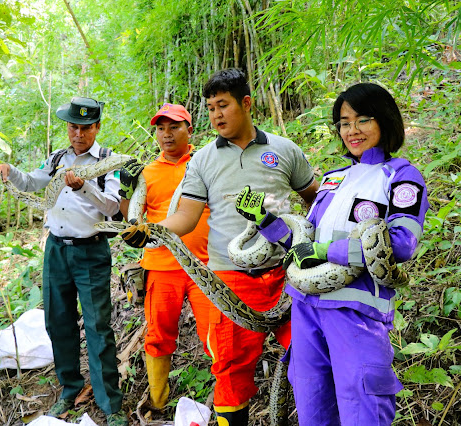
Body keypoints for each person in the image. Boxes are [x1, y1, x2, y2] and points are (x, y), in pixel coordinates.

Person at [121, 69, 319, 426]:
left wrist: (311, 243)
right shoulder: (204, 160)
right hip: (230, 278)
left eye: (223, 105)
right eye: (211, 108)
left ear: (246, 103)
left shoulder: (285, 149)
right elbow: (186, 216)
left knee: (308, 354)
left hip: (285, 274)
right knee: (229, 368)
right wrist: (151, 230)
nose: (216, 115)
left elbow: (315, 200)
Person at [251, 82, 429, 425]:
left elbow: (401, 243)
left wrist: (324, 249)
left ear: (385, 121)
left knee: (362, 401)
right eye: (344, 122)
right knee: (311, 400)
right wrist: (265, 221)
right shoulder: (334, 178)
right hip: (306, 307)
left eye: (362, 119)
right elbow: (301, 240)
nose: (352, 130)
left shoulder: (401, 176)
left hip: (355, 309)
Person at [0, 97, 128, 426]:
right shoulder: (56, 158)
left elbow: (113, 208)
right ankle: (70, 390)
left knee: (97, 326)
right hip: (56, 251)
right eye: (73, 127)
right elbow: (33, 182)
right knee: (57, 322)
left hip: (91, 251)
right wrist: (10, 172)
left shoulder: (109, 162)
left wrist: (83, 188)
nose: (78, 134)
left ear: (96, 128)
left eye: (85, 128)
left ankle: (110, 404)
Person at [117, 103, 212, 410]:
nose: (167, 134)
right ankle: (158, 403)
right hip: (160, 267)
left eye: (174, 127)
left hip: (205, 266)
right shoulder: (146, 173)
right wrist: (125, 191)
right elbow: (130, 223)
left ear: (190, 129)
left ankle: (223, 399)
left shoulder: (206, 162)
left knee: (215, 333)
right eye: (160, 128)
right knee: (158, 335)